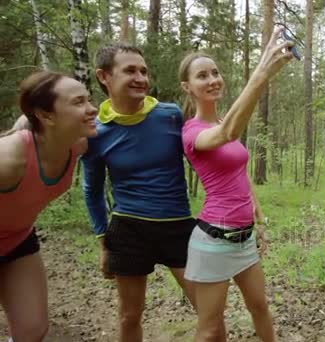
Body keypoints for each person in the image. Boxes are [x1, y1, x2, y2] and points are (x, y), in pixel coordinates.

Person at [179, 27, 293, 342]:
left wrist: (258, 216)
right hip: (213, 242)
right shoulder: (191, 132)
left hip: (243, 240)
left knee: (260, 306)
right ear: (187, 86)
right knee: (211, 329)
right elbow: (228, 133)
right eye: (202, 76)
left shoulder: (220, 121)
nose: (213, 79)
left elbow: (238, 171)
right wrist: (262, 72)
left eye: (215, 72)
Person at [81, 43, 196, 342]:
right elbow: (91, 189)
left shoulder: (170, 115)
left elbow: (206, 157)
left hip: (178, 226)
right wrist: (102, 239)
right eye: (130, 70)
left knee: (208, 309)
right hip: (128, 230)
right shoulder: (95, 132)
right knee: (130, 315)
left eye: (143, 71)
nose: (141, 78)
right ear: (104, 76)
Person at [0, 71, 96, 342]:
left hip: (17, 242)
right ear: (46, 115)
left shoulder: (77, 144)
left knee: (32, 330)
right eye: (78, 103)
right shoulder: (8, 159)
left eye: (88, 100)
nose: (91, 109)